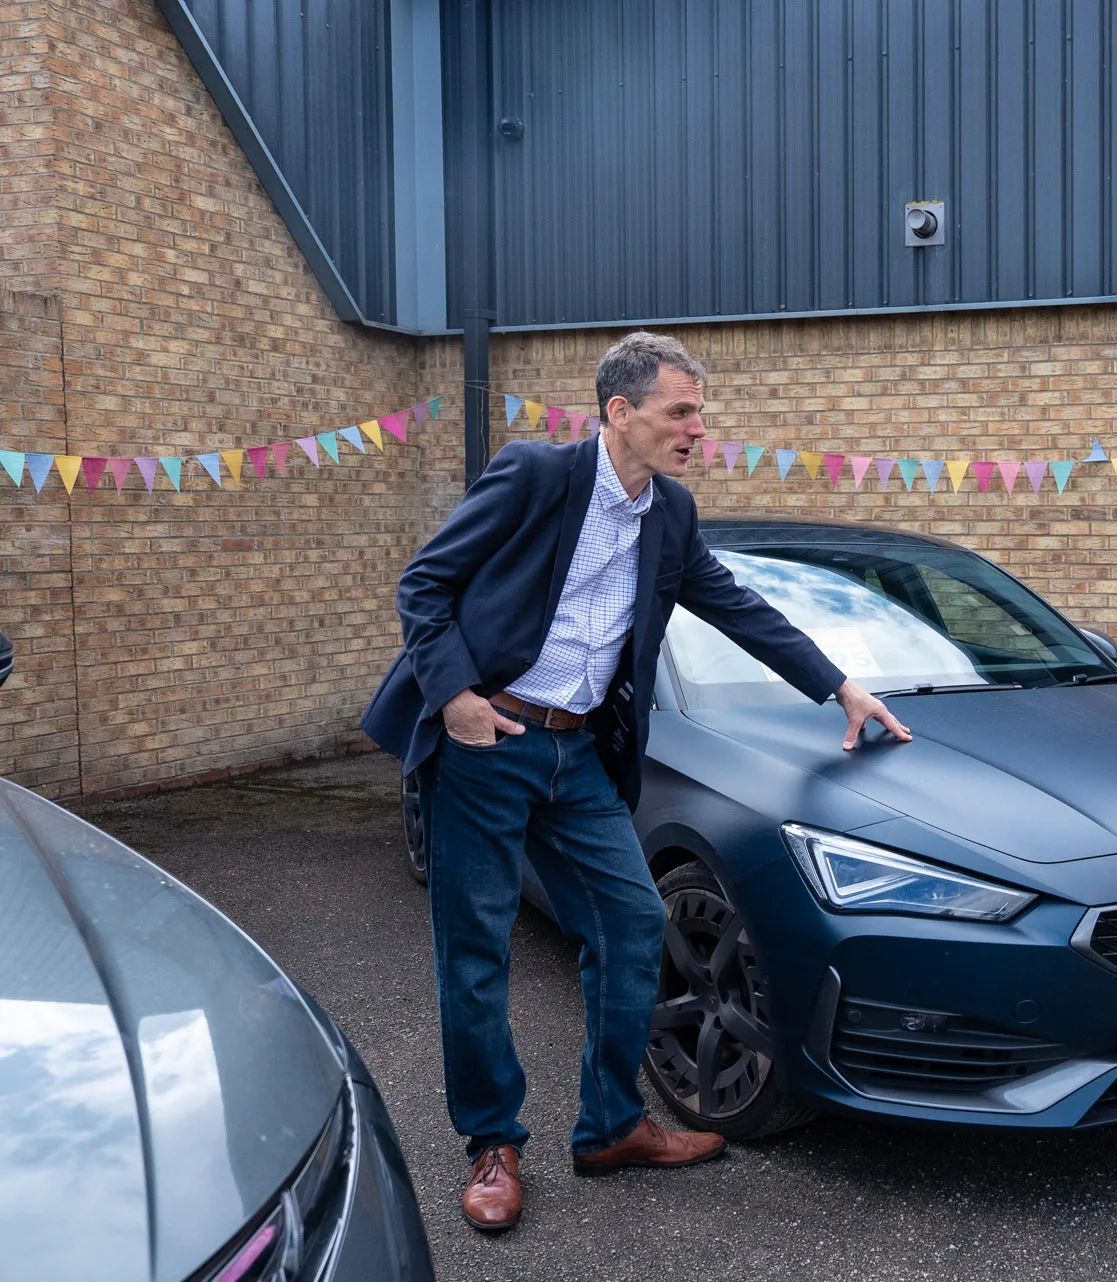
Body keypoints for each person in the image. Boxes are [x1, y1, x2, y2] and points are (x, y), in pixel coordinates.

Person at [362, 330, 911, 1234]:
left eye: (702, 413)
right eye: (681, 412)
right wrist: (455, 696)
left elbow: (737, 606)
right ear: (620, 414)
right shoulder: (536, 475)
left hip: (579, 753)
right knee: (475, 953)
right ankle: (493, 1143)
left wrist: (842, 688)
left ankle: (612, 1124)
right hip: (488, 743)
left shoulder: (673, 514)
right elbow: (425, 584)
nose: (700, 429)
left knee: (633, 920)